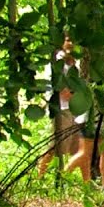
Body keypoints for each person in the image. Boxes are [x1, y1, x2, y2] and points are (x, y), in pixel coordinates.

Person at [36, 38, 82, 177]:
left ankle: (68, 177)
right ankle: (40, 175)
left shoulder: (75, 62)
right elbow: (58, 87)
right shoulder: (56, 62)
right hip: (61, 108)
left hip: (74, 108)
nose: (71, 43)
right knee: (56, 146)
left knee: (75, 145)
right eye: (68, 40)